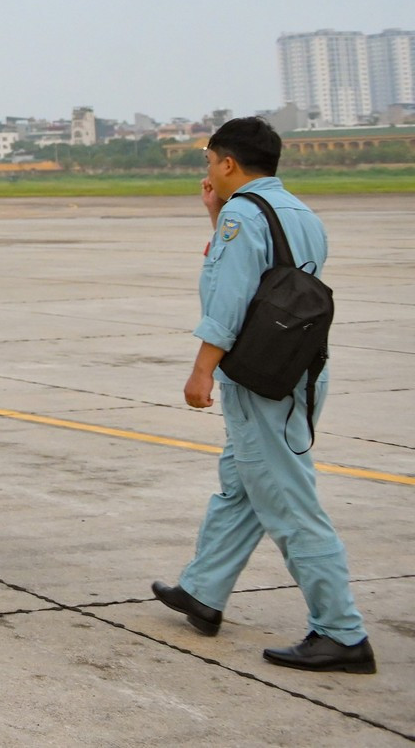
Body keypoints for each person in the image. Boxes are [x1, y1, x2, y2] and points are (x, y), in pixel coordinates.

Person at [151, 117, 374, 674]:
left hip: (258, 381)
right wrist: (212, 212)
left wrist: (202, 371)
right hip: (298, 374)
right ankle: (203, 591)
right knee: (242, 486)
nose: (207, 172)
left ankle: (341, 631)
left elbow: (228, 301)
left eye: (209, 162)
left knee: (289, 503)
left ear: (228, 163)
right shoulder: (299, 211)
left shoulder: (241, 216)